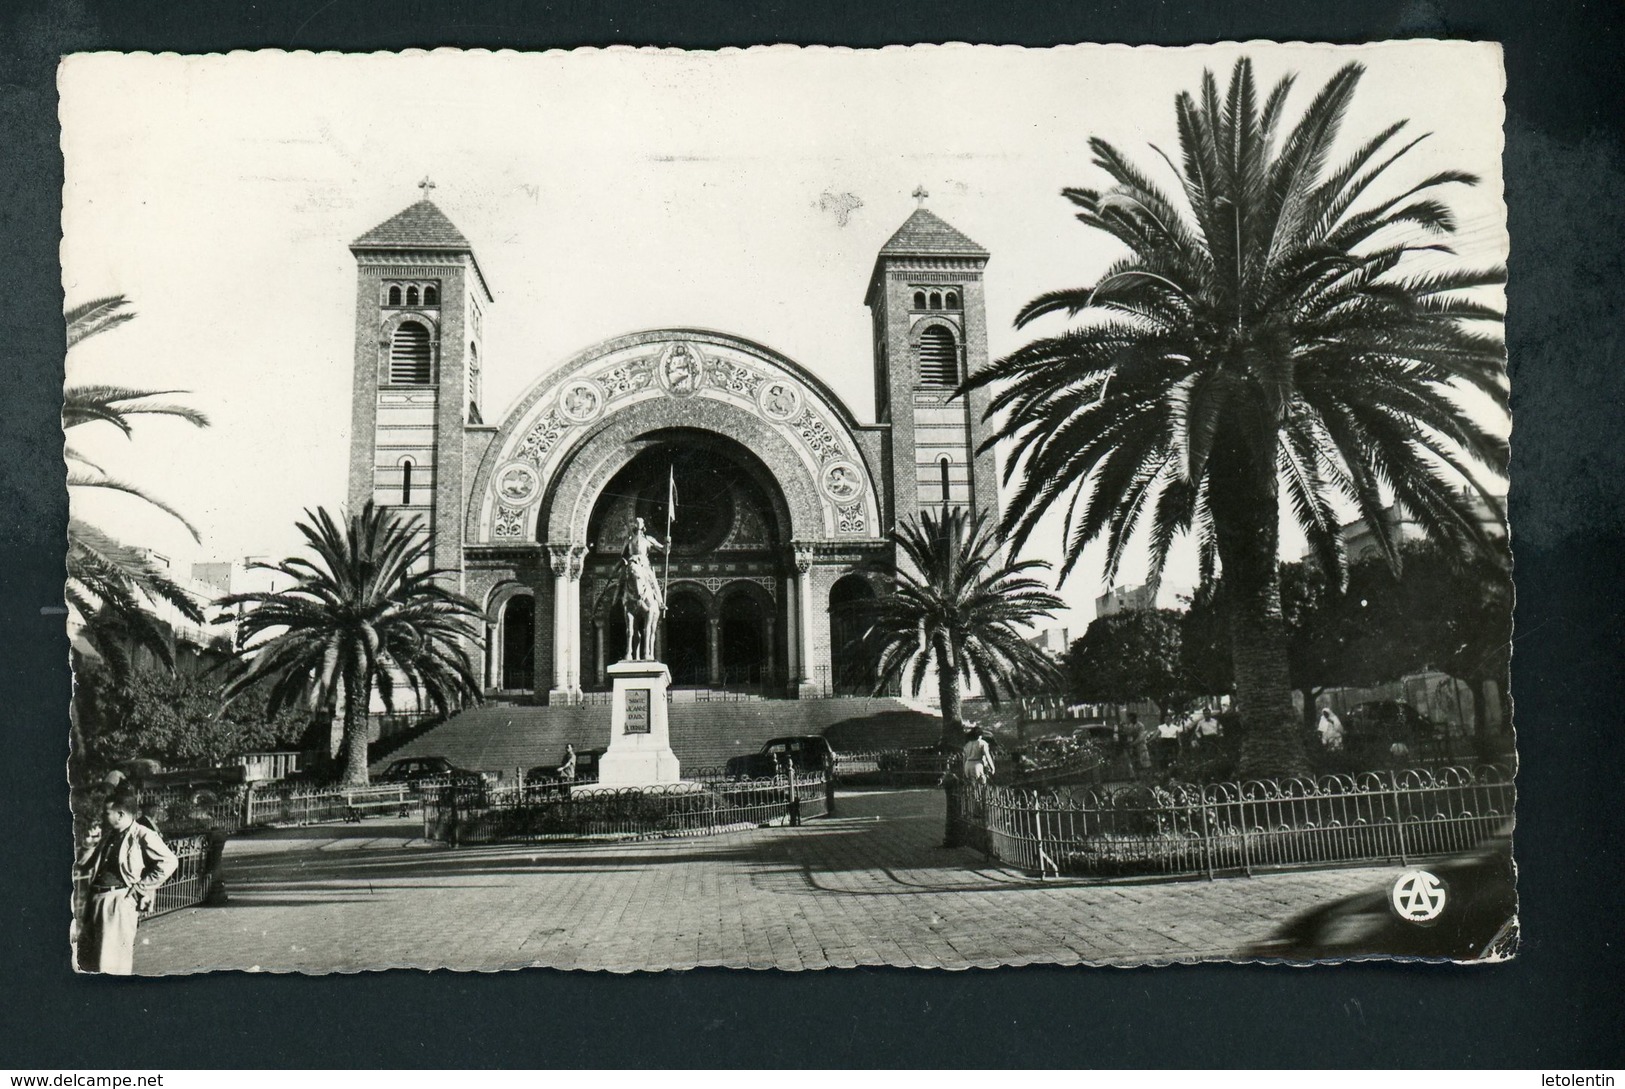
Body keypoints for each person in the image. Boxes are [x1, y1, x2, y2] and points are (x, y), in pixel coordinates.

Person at [75, 795, 178, 975]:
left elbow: (169, 862)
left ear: (120, 814)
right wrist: (89, 845)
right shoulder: (109, 835)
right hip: (96, 900)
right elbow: (83, 865)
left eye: (107, 813)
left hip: (118, 901)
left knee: (111, 962)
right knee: (89, 960)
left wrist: (140, 887)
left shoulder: (142, 834)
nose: (102, 816)